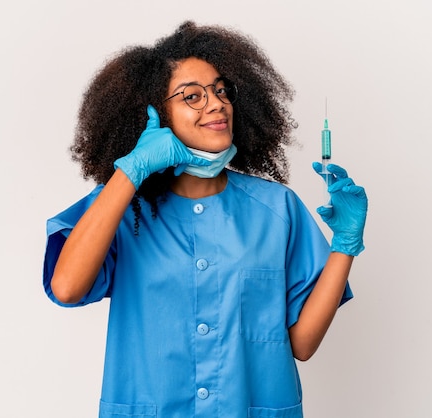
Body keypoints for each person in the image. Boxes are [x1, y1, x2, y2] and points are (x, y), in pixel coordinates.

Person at [43, 20, 367, 418]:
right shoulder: (123, 207)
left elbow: (301, 345)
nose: (216, 104)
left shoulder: (277, 208)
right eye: (191, 96)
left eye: (220, 91)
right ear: (155, 116)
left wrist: (344, 245)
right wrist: (131, 170)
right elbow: (67, 288)